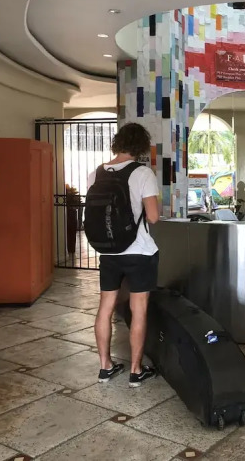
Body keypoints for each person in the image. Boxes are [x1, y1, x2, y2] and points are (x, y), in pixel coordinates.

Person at [87, 122, 160, 387]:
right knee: (138, 309)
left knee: (105, 307)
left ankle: (105, 366)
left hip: (108, 251)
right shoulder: (143, 173)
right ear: (140, 146)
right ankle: (136, 371)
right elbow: (153, 217)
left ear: (117, 143)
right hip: (139, 251)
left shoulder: (96, 173)